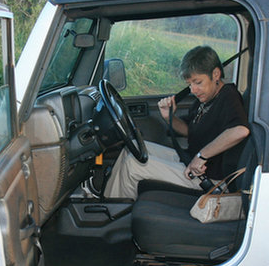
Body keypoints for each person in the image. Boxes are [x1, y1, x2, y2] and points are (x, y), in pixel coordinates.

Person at [104, 45, 249, 199]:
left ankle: (115, 214)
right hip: (189, 159)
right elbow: (190, 130)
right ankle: (106, 203)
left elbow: (240, 130)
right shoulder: (205, 100)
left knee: (131, 166)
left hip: (210, 179)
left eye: (198, 82)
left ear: (216, 74)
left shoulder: (228, 96)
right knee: (132, 147)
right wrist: (168, 117)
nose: (193, 90)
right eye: (189, 84)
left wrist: (201, 156)